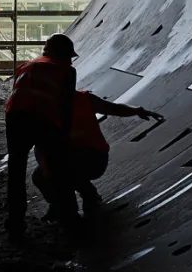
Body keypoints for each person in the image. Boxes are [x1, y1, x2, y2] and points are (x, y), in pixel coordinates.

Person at [36, 89, 163, 218]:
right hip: (71, 157)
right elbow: (40, 145)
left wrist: (137, 110)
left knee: (64, 170)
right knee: (40, 175)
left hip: (94, 157)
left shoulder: (83, 99)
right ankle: (58, 204)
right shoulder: (47, 110)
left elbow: (113, 108)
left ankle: (88, 195)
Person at [4, 33, 78, 238]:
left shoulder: (26, 65)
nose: (71, 60)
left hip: (15, 117)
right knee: (57, 168)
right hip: (41, 118)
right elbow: (66, 106)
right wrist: (65, 136)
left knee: (16, 170)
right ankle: (69, 220)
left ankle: (15, 222)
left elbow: (16, 95)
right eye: (70, 56)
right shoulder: (67, 71)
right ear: (63, 54)